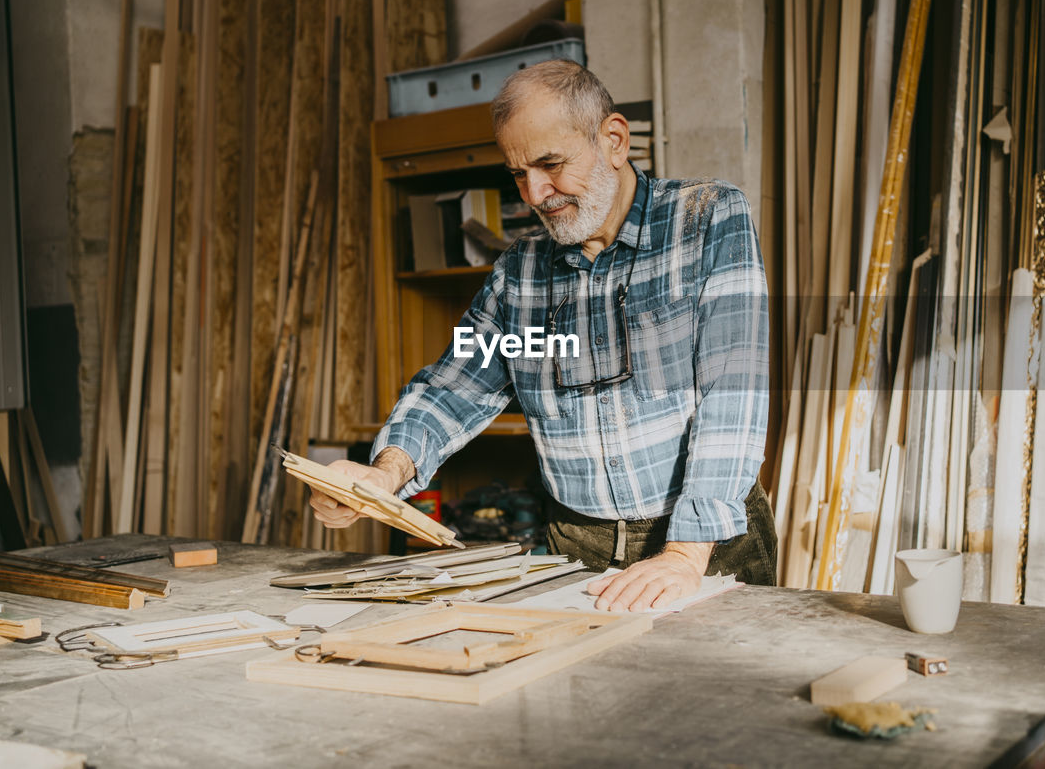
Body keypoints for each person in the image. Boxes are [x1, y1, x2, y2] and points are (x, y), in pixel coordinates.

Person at [311, 59, 774, 612]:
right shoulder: (520, 273)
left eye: (551, 164)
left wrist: (684, 553)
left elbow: (733, 394)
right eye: (518, 174)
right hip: (578, 547)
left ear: (614, 140)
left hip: (705, 539)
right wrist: (382, 475)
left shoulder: (707, 219)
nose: (535, 193)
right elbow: (454, 387)